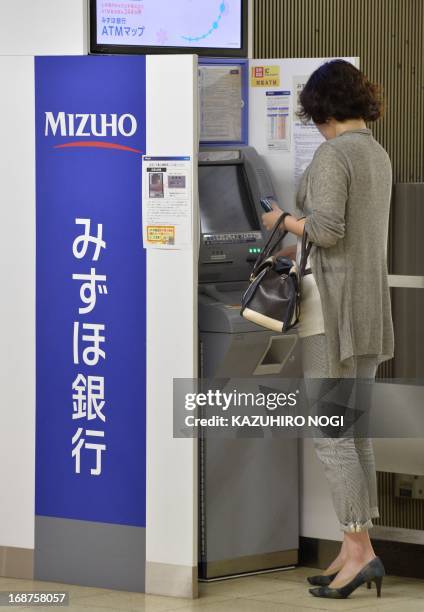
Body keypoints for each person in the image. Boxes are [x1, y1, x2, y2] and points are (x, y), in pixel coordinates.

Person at [261, 59, 394, 600]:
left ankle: (359, 550)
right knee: (354, 431)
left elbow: (329, 230)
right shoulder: (379, 154)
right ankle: (352, 545)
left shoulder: (336, 153)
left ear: (323, 109)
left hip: (332, 314)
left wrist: (281, 223)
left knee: (330, 433)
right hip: (366, 310)